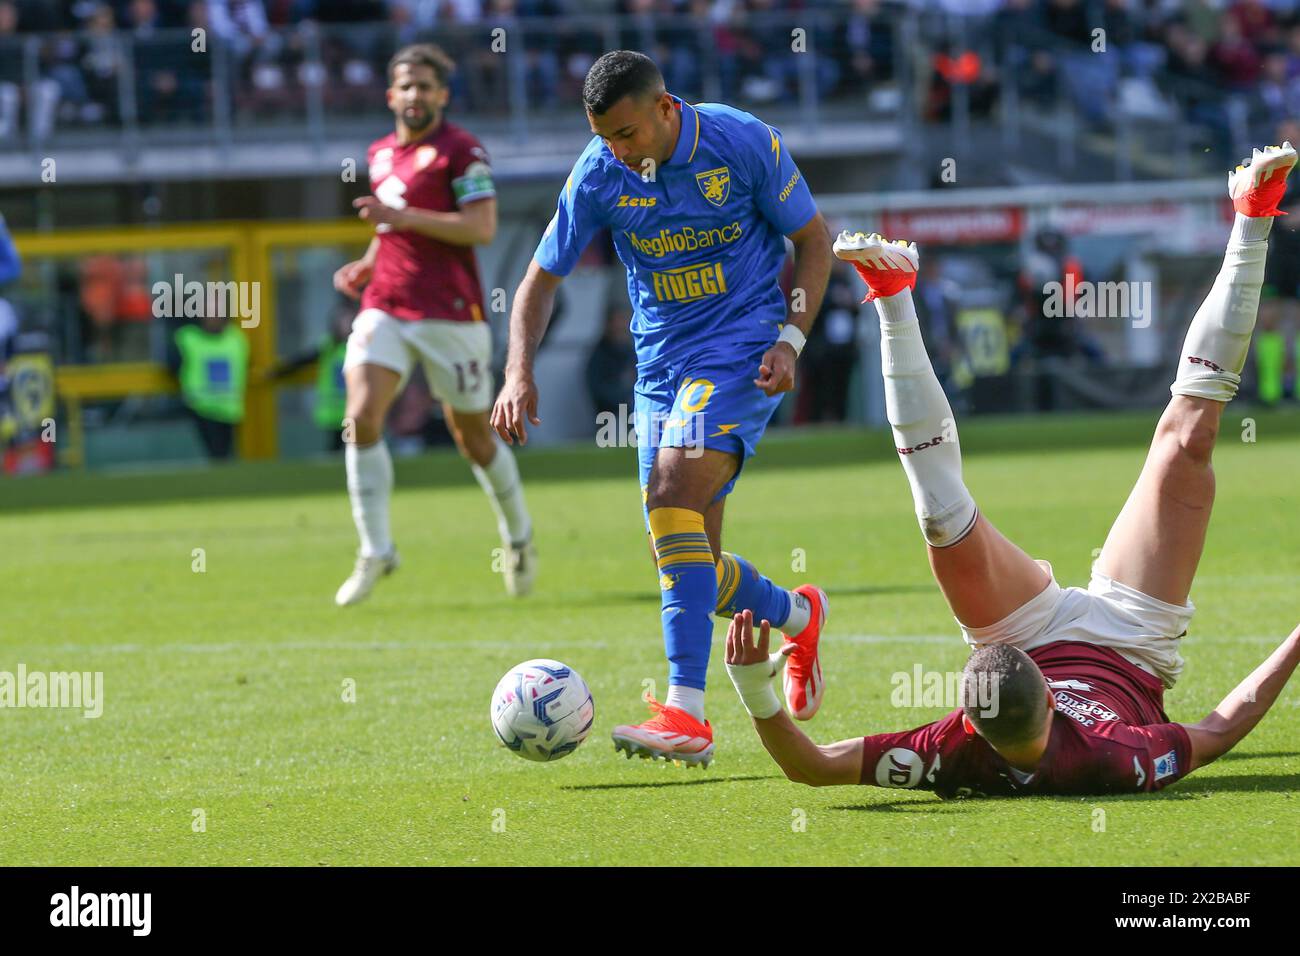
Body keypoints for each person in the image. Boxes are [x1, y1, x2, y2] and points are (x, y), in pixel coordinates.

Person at [723, 144, 1300, 796]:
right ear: (1042, 708)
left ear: (963, 721)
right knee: (1188, 437)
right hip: (1135, 644)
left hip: (1023, 634)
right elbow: (1218, 730)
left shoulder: (952, 750)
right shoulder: (1113, 759)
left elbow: (814, 767)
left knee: (941, 519)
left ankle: (893, 293)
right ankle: (1254, 217)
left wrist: (757, 695)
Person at [492, 51, 833, 768]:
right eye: (604, 136)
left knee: (671, 491)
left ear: (666, 107)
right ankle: (799, 616)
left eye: (626, 133)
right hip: (659, 370)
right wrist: (518, 370)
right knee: (687, 560)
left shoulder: (740, 143)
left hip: (740, 348)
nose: (617, 150)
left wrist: (792, 340)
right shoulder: (599, 171)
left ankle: (687, 711)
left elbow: (812, 240)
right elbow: (539, 279)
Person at [331, 43, 535, 607]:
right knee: (360, 418)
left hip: (450, 311)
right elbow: (389, 230)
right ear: (391, 94)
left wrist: (400, 218)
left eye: (426, 86)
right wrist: (369, 264)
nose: (415, 95)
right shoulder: (378, 154)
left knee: (472, 437)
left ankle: (517, 535)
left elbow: (481, 228)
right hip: (386, 305)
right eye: (406, 85)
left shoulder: (462, 151)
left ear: (442, 95)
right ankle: (376, 548)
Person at [266, 303, 353, 452]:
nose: (346, 325)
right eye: (343, 321)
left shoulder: (359, 347)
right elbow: (303, 360)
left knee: (352, 449)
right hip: (332, 411)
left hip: (352, 410)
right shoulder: (328, 347)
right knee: (335, 449)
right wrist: (279, 371)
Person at [171, 313, 250, 461]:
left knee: (224, 456)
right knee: (216, 455)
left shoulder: (236, 338)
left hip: (230, 409)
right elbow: (172, 365)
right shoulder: (188, 338)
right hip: (201, 407)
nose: (213, 319)